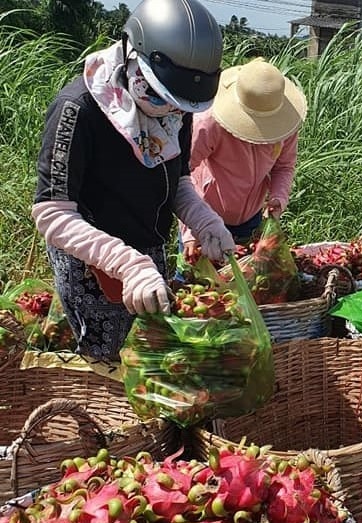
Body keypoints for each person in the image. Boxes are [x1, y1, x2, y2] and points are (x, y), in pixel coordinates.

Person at [32, 0, 236, 361]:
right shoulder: (79, 109)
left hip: (149, 252)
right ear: (132, 52)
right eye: (161, 95)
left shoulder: (175, 113)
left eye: (182, 105)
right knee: (112, 361)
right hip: (95, 266)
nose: (172, 111)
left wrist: (204, 221)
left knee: (158, 359)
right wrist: (127, 264)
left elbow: (177, 179)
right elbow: (52, 213)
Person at [180, 57, 307, 257]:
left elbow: (284, 166)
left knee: (245, 281)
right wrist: (190, 230)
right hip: (205, 218)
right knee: (195, 282)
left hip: (250, 218)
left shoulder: (286, 127)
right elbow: (182, 173)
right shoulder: (210, 123)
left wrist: (277, 198)